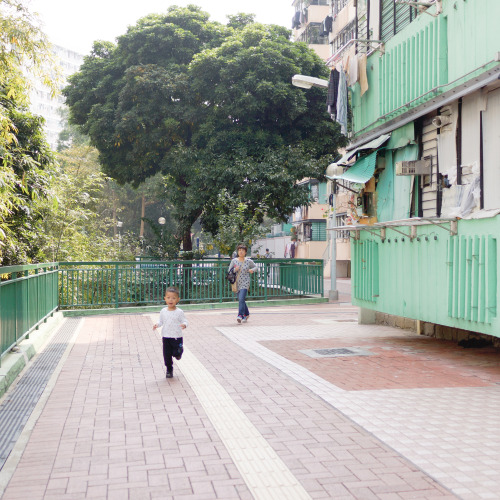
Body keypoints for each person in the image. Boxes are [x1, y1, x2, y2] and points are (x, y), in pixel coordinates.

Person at [153, 286, 188, 378]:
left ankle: (179, 353)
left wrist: (184, 325)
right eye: (168, 297)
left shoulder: (179, 312)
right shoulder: (163, 311)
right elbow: (160, 321)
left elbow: (185, 321)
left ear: (178, 299)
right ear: (165, 298)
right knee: (166, 354)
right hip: (166, 337)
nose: (170, 300)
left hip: (177, 337)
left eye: (173, 298)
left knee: (176, 352)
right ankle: (169, 369)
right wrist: (157, 325)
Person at [228, 243, 257, 324]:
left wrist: (252, 270)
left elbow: (255, 267)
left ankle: (240, 315)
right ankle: (246, 314)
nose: (241, 252)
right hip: (237, 283)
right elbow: (229, 271)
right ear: (237, 252)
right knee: (241, 300)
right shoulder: (234, 261)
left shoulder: (248, 261)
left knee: (241, 299)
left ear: (245, 252)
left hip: (245, 282)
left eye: (242, 250)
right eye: (239, 250)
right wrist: (234, 270)